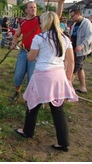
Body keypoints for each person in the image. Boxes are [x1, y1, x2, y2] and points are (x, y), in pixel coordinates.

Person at [14, 11, 78, 152]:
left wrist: (32, 52)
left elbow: (30, 58)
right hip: (59, 76)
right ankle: (64, 143)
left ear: (46, 22)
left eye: (42, 21)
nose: (40, 23)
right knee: (58, 110)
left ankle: (27, 131)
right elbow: (71, 61)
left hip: (43, 76)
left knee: (33, 103)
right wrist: (68, 79)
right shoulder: (65, 38)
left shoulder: (39, 37)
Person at [9, 0, 66, 101]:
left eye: (34, 7)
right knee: (18, 75)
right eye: (30, 7)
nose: (33, 9)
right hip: (23, 51)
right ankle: (17, 92)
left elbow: (56, 17)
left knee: (32, 76)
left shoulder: (40, 19)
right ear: (26, 10)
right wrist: (13, 44)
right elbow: (16, 35)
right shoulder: (22, 22)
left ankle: (31, 97)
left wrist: (60, 3)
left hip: (36, 53)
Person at [69, 8, 92, 93]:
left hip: (81, 50)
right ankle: (83, 87)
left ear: (78, 14)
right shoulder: (75, 24)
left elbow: (89, 36)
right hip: (74, 48)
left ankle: (67, 89)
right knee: (80, 68)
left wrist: (81, 46)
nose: (71, 18)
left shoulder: (86, 23)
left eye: (72, 16)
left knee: (74, 68)